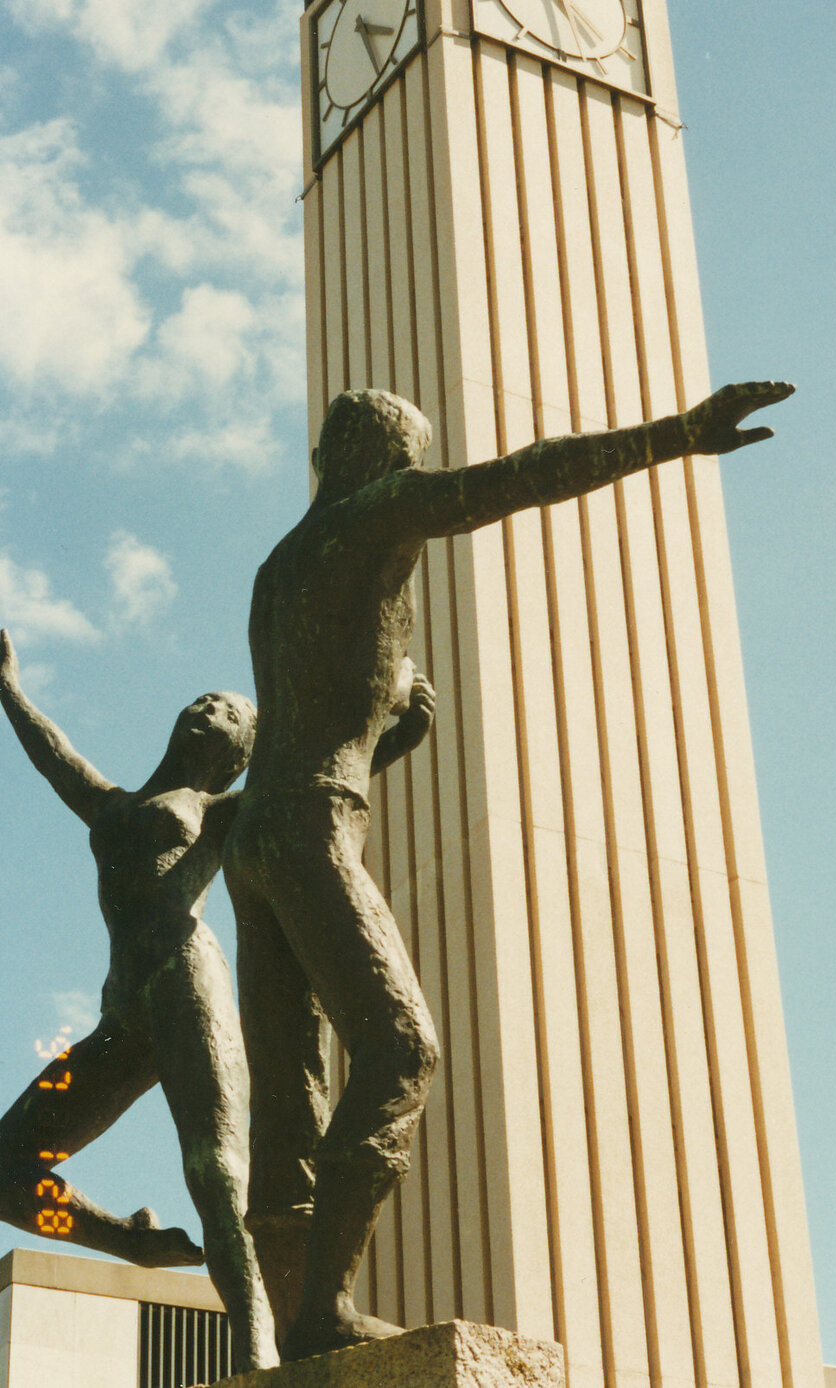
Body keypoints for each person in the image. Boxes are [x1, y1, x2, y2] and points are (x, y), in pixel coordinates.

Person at [222, 377, 794, 1362]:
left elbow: (312, 720)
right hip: (310, 822)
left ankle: (296, 1327)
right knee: (401, 1051)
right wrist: (674, 434)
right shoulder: (379, 510)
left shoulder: (278, 566)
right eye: (409, 461)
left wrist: (387, 741)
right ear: (386, 462)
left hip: (259, 832)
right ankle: (320, 1310)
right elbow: (515, 479)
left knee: (291, 1093)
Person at [0, 635, 278, 1372]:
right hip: (123, 1015)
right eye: (203, 699)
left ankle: (258, 1351)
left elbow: (303, 782)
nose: (207, 708)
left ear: (236, 753)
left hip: (189, 986)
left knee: (216, 1172)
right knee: (6, 1170)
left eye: (227, 712)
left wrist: (389, 736)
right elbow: (54, 756)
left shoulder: (216, 809)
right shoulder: (112, 804)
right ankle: (128, 1240)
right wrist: (9, 688)